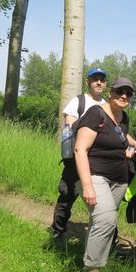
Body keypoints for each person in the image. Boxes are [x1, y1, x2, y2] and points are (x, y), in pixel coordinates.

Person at [75, 77, 136, 272]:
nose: (124, 96)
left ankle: (91, 258)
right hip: (95, 176)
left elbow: (120, 140)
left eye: (128, 93)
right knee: (106, 219)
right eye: (120, 91)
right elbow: (80, 150)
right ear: (111, 92)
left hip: (119, 179)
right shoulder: (96, 114)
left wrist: (132, 149)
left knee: (100, 221)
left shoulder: (123, 118)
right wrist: (87, 186)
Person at [50, 67, 108, 245]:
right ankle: (57, 232)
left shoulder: (107, 105)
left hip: (98, 160)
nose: (98, 82)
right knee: (67, 195)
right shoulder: (78, 102)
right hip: (77, 158)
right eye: (95, 79)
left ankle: (106, 240)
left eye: (102, 79)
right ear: (87, 82)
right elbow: (70, 127)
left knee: (104, 200)